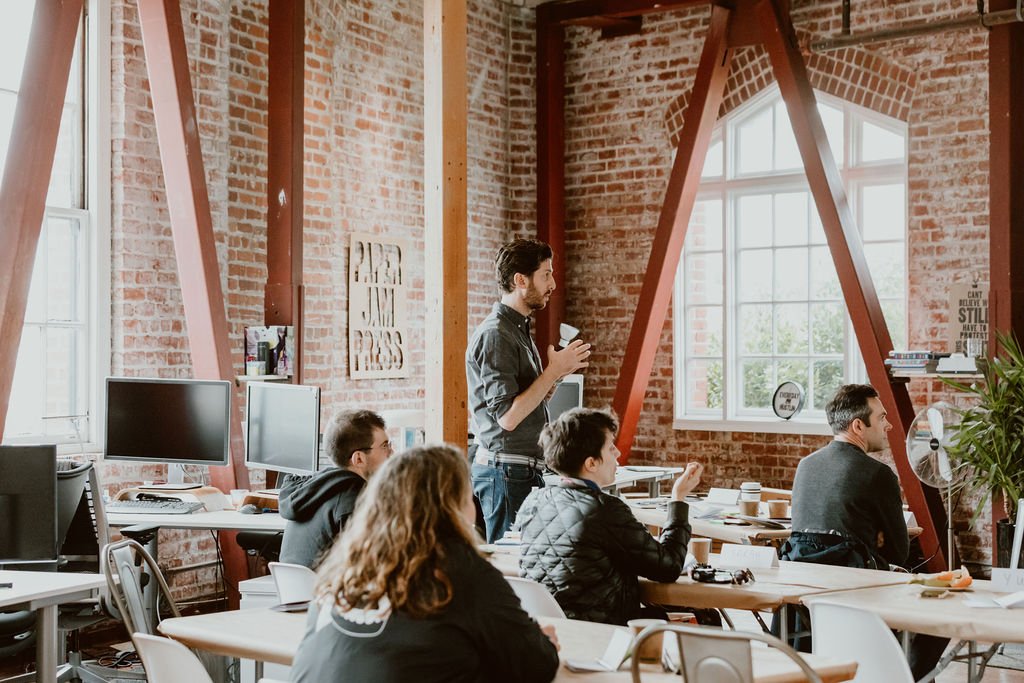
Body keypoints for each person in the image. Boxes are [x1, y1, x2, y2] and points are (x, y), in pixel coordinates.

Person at [290, 445, 560, 683]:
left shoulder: (344, 567)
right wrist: (543, 643)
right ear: (453, 504)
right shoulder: (462, 571)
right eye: (468, 495)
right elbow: (536, 666)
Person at [780, 383, 946, 675]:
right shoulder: (878, 475)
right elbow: (898, 551)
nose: (889, 425)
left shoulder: (805, 466)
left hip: (805, 603)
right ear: (858, 425)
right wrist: (878, 539)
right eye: (882, 418)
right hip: (858, 594)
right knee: (939, 621)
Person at [516, 408, 704, 625]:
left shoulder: (535, 501)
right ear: (591, 463)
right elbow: (669, 567)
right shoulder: (604, 509)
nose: (617, 454)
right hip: (604, 631)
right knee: (704, 617)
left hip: (553, 629)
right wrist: (678, 499)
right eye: (610, 447)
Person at [466, 238, 591, 543]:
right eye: (546, 274)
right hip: (506, 472)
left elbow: (529, 405)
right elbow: (508, 418)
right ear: (520, 280)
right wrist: (552, 372)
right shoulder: (497, 334)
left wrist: (557, 375)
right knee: (513, 567)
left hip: (521, 470)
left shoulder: (517, 329)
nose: (553, 284)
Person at [278, 409, 393, 568]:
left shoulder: (308, 492)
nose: (392, 453)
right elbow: (369, 569)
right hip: (331, 592)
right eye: (385, 446)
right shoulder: (353, 499)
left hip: (297, 592)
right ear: (358, 458)